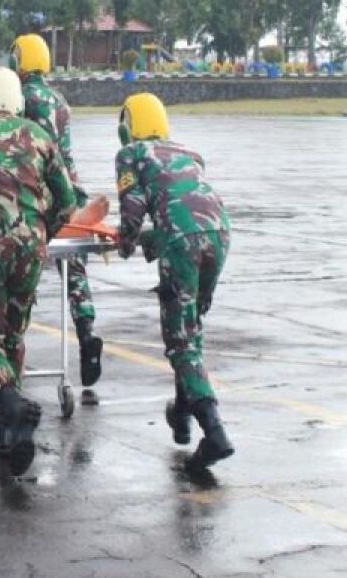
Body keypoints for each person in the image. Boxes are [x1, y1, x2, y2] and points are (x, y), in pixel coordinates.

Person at [0, 67, 78, 476]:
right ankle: (10, 432)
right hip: (31, 248)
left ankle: (11, 405)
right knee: (14, 331)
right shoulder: (42, 137)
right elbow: (67, 201)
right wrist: (43, 232)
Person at [114, 92, 234, 472]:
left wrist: (126, 242)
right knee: (192, 324)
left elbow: (134, 211)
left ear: (127, 125)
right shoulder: (187, 151)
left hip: (182, 242)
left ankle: (214, 430)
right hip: (219, 233)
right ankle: (182, 412)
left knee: (180, 340)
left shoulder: (131, 154)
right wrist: (154, 240)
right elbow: (183, 204)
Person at [13, 33, 104, 387]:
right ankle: (86, 331)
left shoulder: (20, 98)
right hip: (72, 194)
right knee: (74, 267)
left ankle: (9, 326)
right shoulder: (59, 99)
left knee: (23, 257)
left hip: (39, 193)